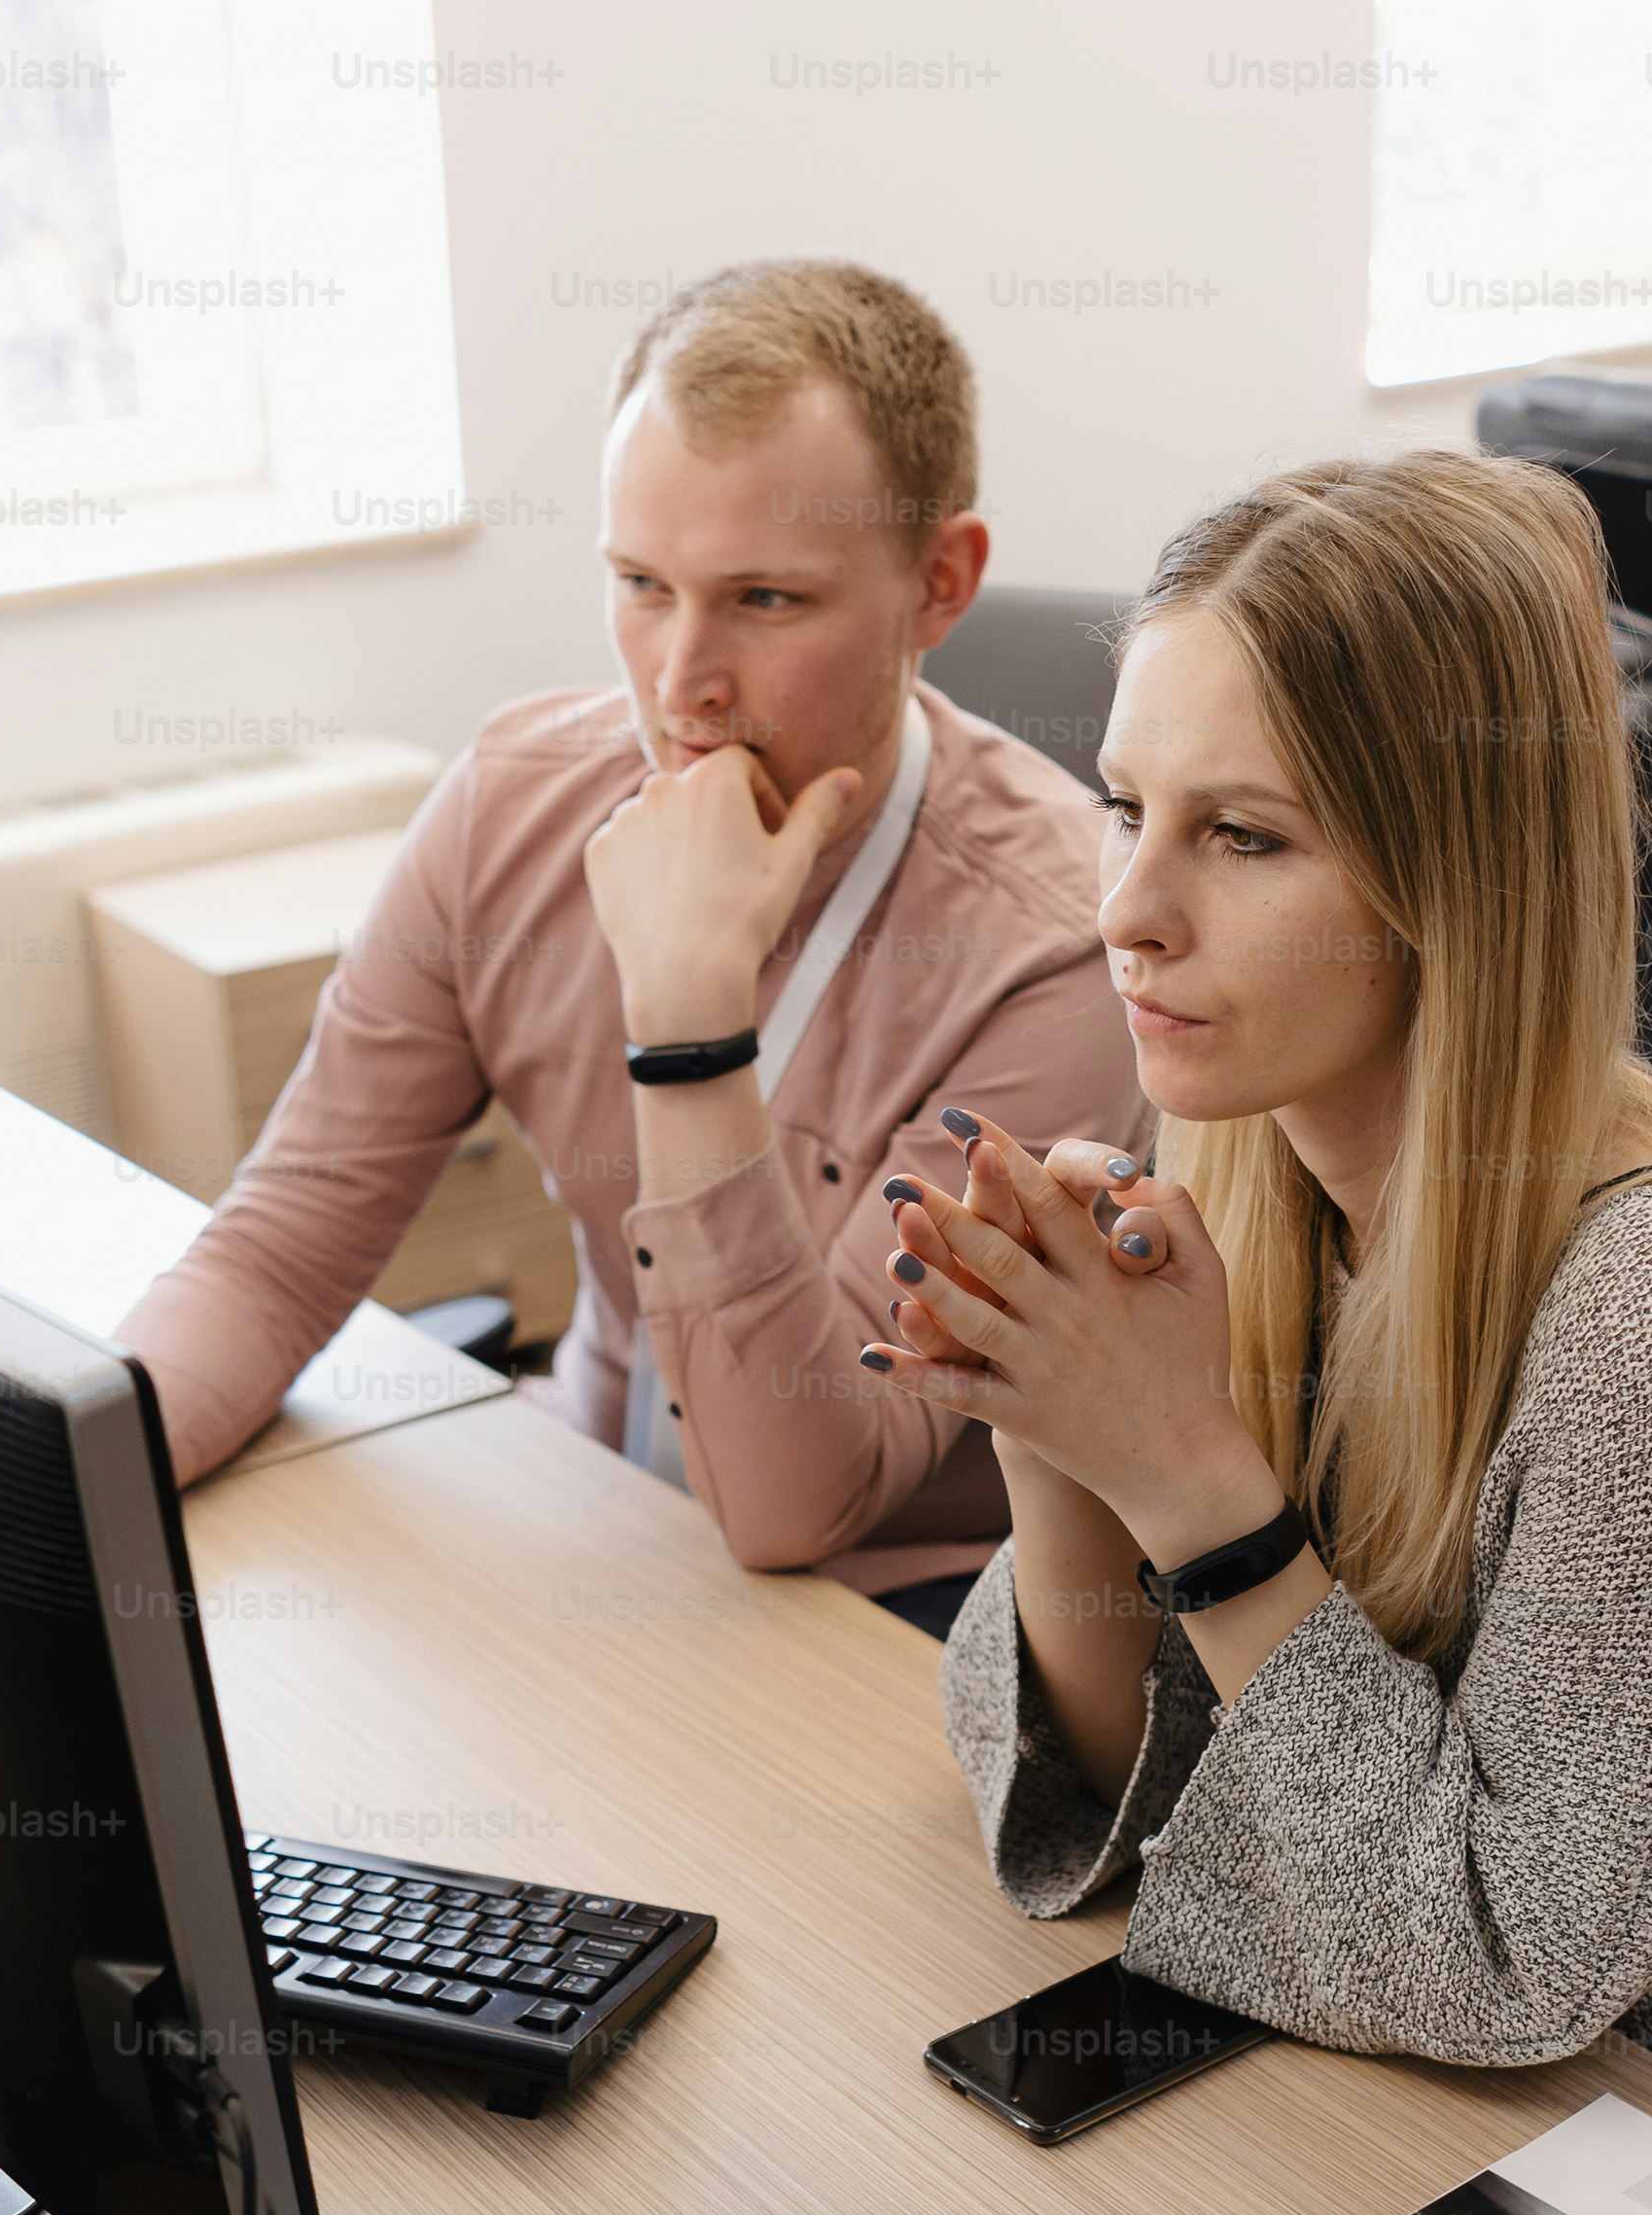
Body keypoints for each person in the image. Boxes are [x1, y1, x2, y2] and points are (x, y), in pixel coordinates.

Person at [866, 452, 1652, 2215]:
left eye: (1244, 836)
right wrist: (1055, 1447)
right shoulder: (1256, 1184)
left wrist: (1196, 1485)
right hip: (1478, 2096)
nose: (1128, 909)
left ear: (1460, 881)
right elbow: (1154, 1822)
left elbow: (1499, 1971)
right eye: (1122, 805)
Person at [115, 262, 1142, 1629]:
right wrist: (44, 1495)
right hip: (596, 1515)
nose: (679, 681)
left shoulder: (1064, 945)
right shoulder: (511, 801)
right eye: (641, 584)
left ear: (938, 582)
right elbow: (278, 1252)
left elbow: (800, 1502)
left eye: (765, 600)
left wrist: (689, 1025)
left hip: (891, 1611)